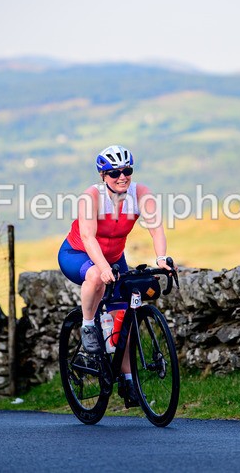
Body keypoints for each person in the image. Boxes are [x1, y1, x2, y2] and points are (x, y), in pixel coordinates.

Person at [58, 145, 175, 407]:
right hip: (77, 253)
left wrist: (161, 258)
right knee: (97, 279)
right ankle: (88, 326)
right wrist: (102, 267)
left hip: (114, 257)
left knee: (124, 316)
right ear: (103, 175)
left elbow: (155, 228)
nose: (122, 177)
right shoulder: (91, 197)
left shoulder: (140, 193)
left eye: (127, 171)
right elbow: (88, 238)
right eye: (114, 173)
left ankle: (129, 381)